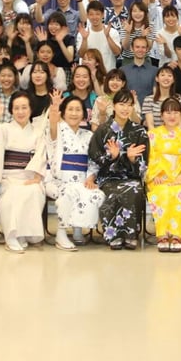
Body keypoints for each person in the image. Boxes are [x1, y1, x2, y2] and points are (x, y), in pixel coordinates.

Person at [89, 92, 150, 249]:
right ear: (114, 106)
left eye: (129, 105)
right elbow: (95, 157)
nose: (125, 108)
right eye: (122, 104)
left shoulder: (140, 132)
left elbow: (143, 164)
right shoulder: (102, 130)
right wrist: (112, 157)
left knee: (134, 188)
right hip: (108, 178)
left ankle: (130, 234)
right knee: (112, 190)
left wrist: (131, 160)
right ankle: (113, 234)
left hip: (131, 177)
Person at [45, 95, 105, 251]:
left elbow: (93, 161)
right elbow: (53, 127)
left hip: (82, 179)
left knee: (95, 195)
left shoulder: (88, 136)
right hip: (58, 180)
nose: (74, 113)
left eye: (78, 110)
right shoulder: (57, 131)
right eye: (70, 109)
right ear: (63, 113)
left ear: (84, 115)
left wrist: (91, 178)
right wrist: (54, 110)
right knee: (70, 192)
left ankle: (78, 228)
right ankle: (61, 233)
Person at [0, 91, 49, 254]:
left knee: (33, 190)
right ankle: (11, 236)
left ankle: (23, 233)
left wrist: (37, 176)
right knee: (14, 193)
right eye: (16, 108)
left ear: (31, 109)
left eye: (24, 107)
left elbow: (41, 155)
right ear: (11, 111)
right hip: (9, 177)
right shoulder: (4, 128)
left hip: (29, 176)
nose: (20, 111)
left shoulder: (37, 132)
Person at [145, 97, 181, 252]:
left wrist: (180, 177)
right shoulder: (152, 135)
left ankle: (177, 234)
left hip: (179, 177)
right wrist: (156, 176)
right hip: (159, 178)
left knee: (179, 193)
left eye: (175, 112)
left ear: (180, 115)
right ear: (161, 116)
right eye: (167, 112)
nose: (172, 116)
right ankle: (162, 234)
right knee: (163, 192)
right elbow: (150, 158)